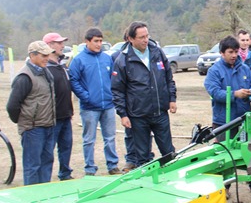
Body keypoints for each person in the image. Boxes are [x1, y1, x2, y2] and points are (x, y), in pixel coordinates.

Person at [111, 21, 178, 169]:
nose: (145, 40)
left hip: (160, 112)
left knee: (169, 153)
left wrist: (172, 98)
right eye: (141, 37)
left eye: (147, 36)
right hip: (138, 116)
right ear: (131, 39)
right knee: (143, 157)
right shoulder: (122, 60)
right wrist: (123, 114)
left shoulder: (157, 53)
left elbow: (168, 77)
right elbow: (117, 90)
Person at [69, 27, 121, 176]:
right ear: (87, 41)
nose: (99, 44)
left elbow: (113, 77)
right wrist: (86, 96)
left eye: (100, 41)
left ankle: (112, 165)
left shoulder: (106, 58)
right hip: (89, 108)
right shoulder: (78, 60)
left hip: (108, 105)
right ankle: (90, 168)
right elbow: (74, 80)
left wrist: (112, 95)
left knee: (110, 137)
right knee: (89, 140)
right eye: (96, 41)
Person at [6, 41, 56, 185]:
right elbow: (12, 106)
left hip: (48, 126)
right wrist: (26, 122)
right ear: (32, 55)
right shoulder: (24, 77)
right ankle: (31, 198)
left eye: (48, 55)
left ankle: (43, 194)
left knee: (47, 163)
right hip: (33, 129)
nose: (47, 58)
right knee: (32, 166)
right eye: (43, 55)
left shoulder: (46, 72)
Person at [204, 35, 251, 142]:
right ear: (222, 53)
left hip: (244, 121)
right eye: (230, 52)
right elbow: (215, 93)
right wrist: (235, 94)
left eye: (236, 51)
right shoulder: (214, 71)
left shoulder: (244, 69)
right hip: (224, 122)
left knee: (245, 153)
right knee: (224, 153)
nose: (234, 55)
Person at [43, 32, 74, 180]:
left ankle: (65, 174)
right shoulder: (45, 68)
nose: (62, 46)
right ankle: (45, 179)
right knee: (48, 151)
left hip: (66, 115)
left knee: (66, 147)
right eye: (59, 43)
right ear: (49, 45)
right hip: (52, 118)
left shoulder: (62, 65)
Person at [110, 29, 136, 173]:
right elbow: (115, 83)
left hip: (141, 102)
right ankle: (131, 159)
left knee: (145, 132)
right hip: (127, 102)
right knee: (130, 133)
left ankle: (146, 157)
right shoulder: (117, 56)